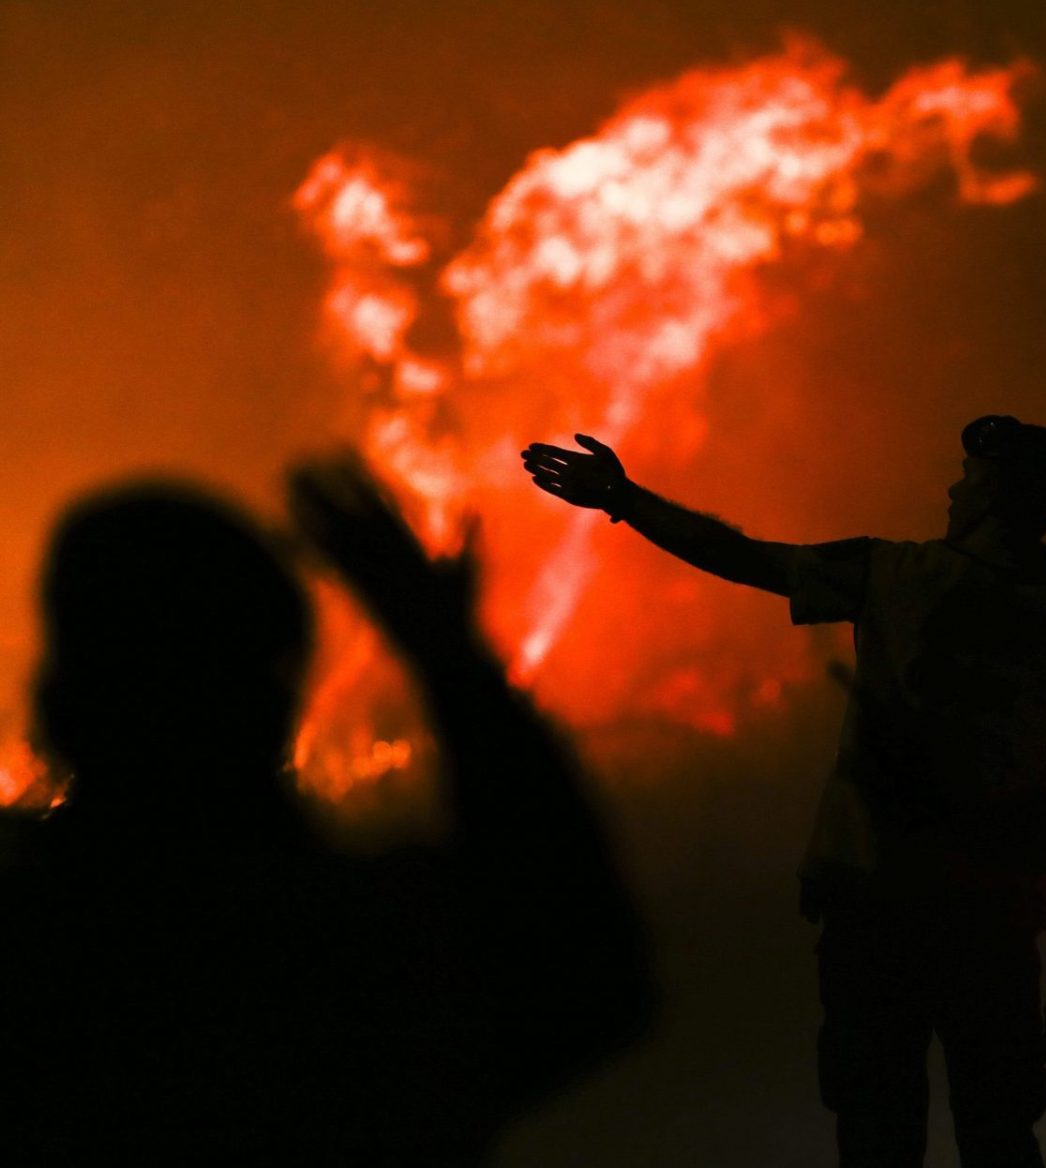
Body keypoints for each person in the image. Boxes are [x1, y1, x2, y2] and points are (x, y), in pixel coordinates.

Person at [0, 458, 651, 1162]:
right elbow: (585, 973)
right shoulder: (363, 959)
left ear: (60, 697)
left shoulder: (35, 952)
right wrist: (446, 653)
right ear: (277, 695)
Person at [523, 417, 1046, 1168]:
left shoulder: (897, 577)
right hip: (993, 932)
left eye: (968, 479)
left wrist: (625, 499)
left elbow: (741, 557)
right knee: (999, 1136)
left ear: (996, 496)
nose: (951, 489)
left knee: (875, 1133)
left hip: (874, 912)